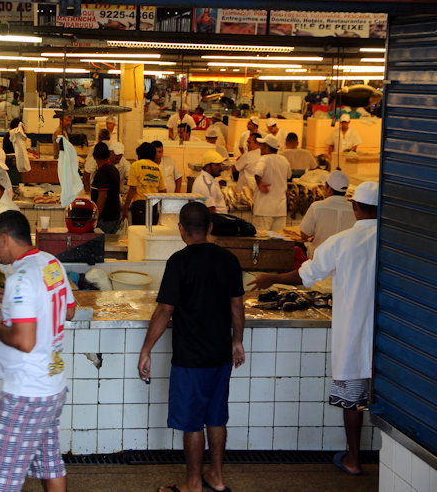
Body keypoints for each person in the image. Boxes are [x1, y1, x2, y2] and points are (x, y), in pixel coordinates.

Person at [248, 181, 379, 477]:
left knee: (353, 401)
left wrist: (272, 277)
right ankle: (392, 461)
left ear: (355, 208)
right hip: (392, 337)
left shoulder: (343, 241)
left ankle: (354, 460)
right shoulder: (397, 242)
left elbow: (306, 275)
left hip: (354, 334)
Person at [139, 201, 245, 492]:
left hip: (191, 358)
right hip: (220, 354)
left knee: (192, 423)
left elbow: (164, 310)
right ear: (210, 228)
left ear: (181, 230)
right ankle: (218, 478)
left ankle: (193, 484)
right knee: (216, 417)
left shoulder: (179, 261)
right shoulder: (229, 260)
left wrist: (146, 349)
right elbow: (238, 305)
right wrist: (237, 341)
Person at [0, 210, 75, 492]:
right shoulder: (51, 263)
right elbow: (70, 309)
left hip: (27, 393)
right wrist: (13, 304)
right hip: (53, 386)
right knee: (50, 462)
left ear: (4, 238)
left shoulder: (19, 277)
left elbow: (24, 341)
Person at [298, 170, 355, 253]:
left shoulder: (316, 207)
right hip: (344, 258)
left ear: (329, 189)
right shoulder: (354, 209)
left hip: (320, 259)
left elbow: (304, 235)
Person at [252, 135, 292, 231]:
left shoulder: (264, 159)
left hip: (264, 209)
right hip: (280, 210)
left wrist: (259, 183)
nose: (260, 148)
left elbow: (257, 172)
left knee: (260, 240)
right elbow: (289, 176)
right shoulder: (284, 160)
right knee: (277, 241)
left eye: (262, 146)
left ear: (267, 148)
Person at [122, 142, 166, 226]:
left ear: (139, 154)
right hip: (154, 205)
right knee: (151, 232)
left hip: (140, 204)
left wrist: (125, 208)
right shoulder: (157, 168)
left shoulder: (135, 165)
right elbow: (163, 190)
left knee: (139, 232)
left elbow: (132, 189)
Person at [90, 142, 121, 234]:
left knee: (101, 245)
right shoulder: (113, 169)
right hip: (114, 216)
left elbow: (102, 195)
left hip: (105, 218)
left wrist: (96, 216)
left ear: (94, 156)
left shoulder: (103, 172)